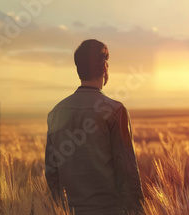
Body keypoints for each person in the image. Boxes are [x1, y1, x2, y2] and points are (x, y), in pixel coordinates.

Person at [45, 39, 145, 215]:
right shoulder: (115, 111)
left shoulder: (55, 113)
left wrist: (62, 208)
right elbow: (127, 174)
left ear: (79, 70)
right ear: (105, 67)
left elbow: (51, 172)